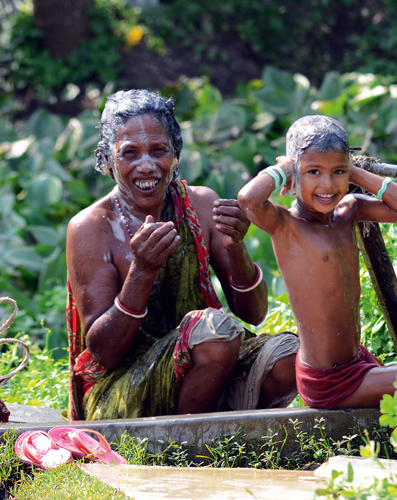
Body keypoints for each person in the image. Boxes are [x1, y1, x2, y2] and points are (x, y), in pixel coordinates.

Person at [65, 89, 299, 420]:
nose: (146, 166)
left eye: (158, 151)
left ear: (175, 155)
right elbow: (104, 352)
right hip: (121, 390)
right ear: (106, 161)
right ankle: (186, 444)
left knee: (291, 358)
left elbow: (254, 313)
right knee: (214, 334)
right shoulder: (91, 228)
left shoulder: (201, 204)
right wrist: (142, 272)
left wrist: (236, 248)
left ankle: (218, 427)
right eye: (129, 153)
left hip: (207, 366)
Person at [237, 115, 397, 409]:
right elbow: (248, 200)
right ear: (295, 176)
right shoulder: (286, 226)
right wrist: (283, 168)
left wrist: (355, 173)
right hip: (329, 381)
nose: (328, 184)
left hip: (357, 361)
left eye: (337, 172)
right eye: (314, 171)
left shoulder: (348, 212)